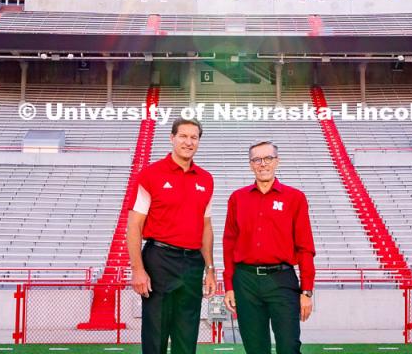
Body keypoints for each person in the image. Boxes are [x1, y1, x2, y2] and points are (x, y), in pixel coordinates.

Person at [127, 117, 216, 354]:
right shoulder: (151, 174)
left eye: (194, 137)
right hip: (159, 260)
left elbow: (206, 226)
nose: (189, 142)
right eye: (183, 136)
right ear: (172, 138)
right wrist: (137, 269)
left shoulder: (206, 179)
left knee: (187, 336)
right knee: (156, 336)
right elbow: (134, 225)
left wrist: (210, 269)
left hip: (192, 264)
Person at [223, 140, 315, 354]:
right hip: (245, 281)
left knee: (289, 346)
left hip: (281, 280)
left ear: (277, 161)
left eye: (268, 158)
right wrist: (229, 285)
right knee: (255, 348)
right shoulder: (237, 198)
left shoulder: (295, 198)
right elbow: (229, 244)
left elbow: (305, 247)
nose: (262, 164)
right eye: (256, 159)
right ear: (250, 164)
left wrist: (307, 291)